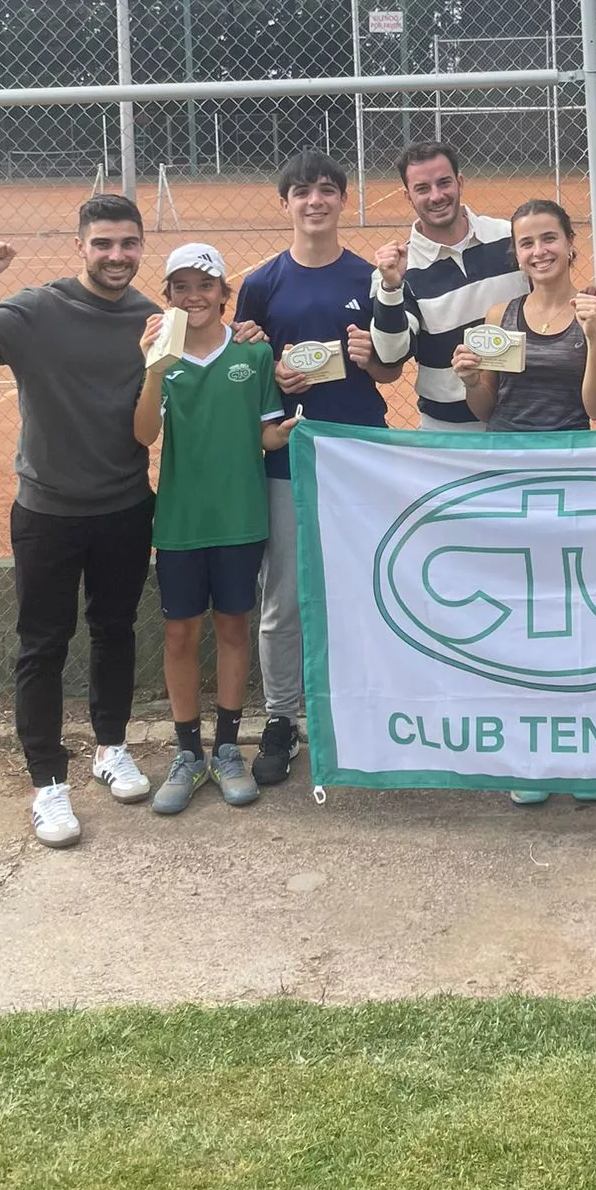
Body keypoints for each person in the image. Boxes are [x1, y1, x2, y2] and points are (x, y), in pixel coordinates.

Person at [0, 194, 160, 850]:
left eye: (128, 243)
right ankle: (47, 783)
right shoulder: (37, 310)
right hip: (47, 511)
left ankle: (111, 748)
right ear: (80, 247)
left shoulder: (151, 320)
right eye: (103, 243)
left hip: (125, 506)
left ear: (141, 248)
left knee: (115, 630)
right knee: (43, 645)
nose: (116, 255)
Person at [234, 149, 402, 789]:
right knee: (283, 597)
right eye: (302, 191)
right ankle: (282, 717)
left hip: (359, 455)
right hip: (289, 456)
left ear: (342, 199)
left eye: (327, 190)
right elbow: (244, 372)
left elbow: (391, 369)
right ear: (285, 203)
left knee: (368, 586)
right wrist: (270, 372)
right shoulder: (261, 284)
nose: (315, 201)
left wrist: (370, 359)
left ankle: (368, 709)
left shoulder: (370, 278)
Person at [451, 197, 596, 810]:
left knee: (575, 616)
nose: (539, 251)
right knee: (522, 619)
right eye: (527, 243)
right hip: (509, 478)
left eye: (549, 238)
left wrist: (595, 338)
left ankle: (585, 750)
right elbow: (487, 407)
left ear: (571, 244)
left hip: (572, 479)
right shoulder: (501, 313)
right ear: (516, 253)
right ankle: (533, 751)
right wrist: (470, 378)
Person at [134, 244, 296, 815]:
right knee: (180, 634)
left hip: (240, 517)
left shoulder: (253, 354)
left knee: (232, 627)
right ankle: (187, 753)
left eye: (205, 285)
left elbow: (265, 434)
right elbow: (143, 434)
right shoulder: (162, 357)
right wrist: (153, 369)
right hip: (181, 519)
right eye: (180, 287)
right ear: (168, 297)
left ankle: (227, 749)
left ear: (225, 293)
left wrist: (290, 432)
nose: (193, 296)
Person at [369, 140, 528, 431]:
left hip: (526, 419)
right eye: (422, 188)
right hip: (448, 432)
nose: (436, 196)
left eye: (444, 183)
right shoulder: (396, 271)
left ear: (460, 182)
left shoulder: (511, 238)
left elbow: (549, 303)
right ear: (408, 196)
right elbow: (391, 355)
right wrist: (391, 288)